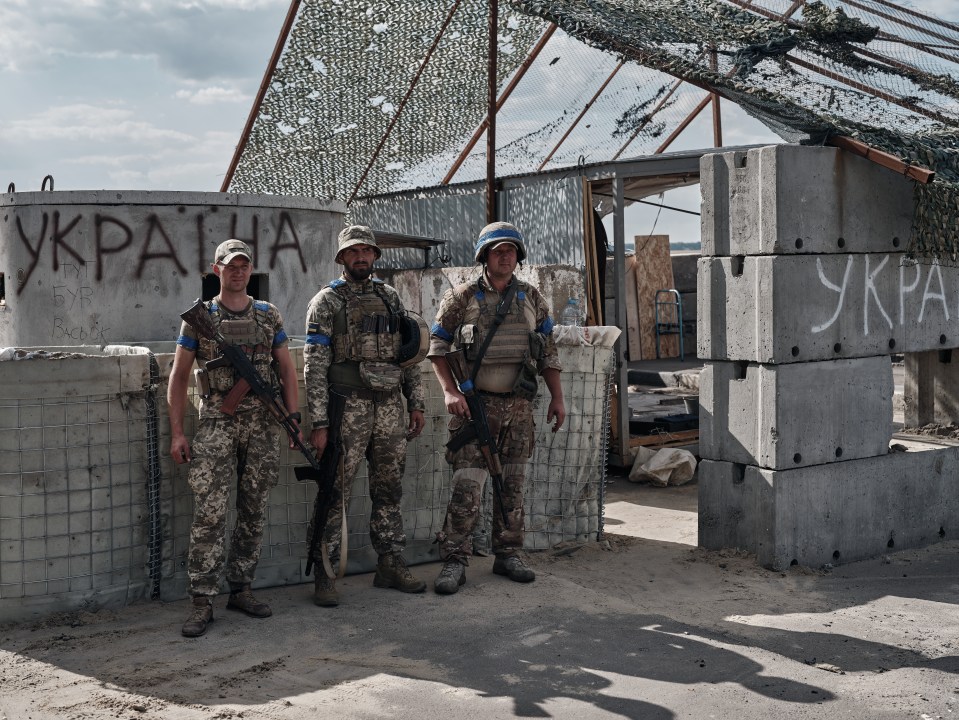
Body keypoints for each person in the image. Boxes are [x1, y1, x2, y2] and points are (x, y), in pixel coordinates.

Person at [168, 238, 301, 637]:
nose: (238, 272)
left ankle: (241, 588)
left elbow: (287, 370)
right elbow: (177, 377)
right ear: (216, 270)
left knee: (253, 508)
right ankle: (201, 600)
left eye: (243, 265)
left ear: (250, 270)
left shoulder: (268, 315)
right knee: (210, 512)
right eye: (230, 266)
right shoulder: (200, 317)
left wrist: (292, 418)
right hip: (217, 423)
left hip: (262, 424)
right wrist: (178, 432)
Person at [428, 220, 566, 595]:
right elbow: (438, 348)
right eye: (498, 250)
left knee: (513, 486)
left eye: (511, 251)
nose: (505, 257)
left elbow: (548, 351)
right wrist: (450, 392)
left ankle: (508, 553)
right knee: (466, 488)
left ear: (518, 257)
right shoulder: (462, 297)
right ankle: (455, 559)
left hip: (519, 407)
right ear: (484, 256)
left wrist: (557, 397)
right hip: (476, 407)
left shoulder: (532, 298)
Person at [303, 225, 427, 607]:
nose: (361, 257)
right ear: (342, 258)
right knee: (335, 490)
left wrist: (416, 401)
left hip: (389, 404)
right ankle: (325, 573)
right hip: (347, 406)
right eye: (353, 252)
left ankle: (389, 562)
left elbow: (408, 353)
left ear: (375, 257)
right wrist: (321, 423)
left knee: (389, 488)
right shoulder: (326, 302)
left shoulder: (390, 298)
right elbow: (315, 365)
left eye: (367, 251)